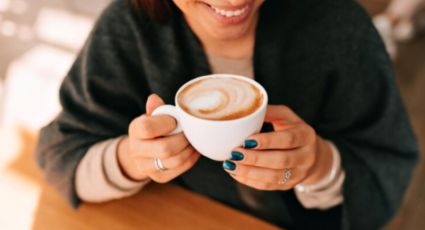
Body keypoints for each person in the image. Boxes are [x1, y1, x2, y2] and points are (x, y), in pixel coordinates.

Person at [35, 0, 419, 229]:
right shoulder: (129, 26)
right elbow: (59, 154)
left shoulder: (340, 27)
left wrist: (318, 166)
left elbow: (388, 165)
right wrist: (130, 160)